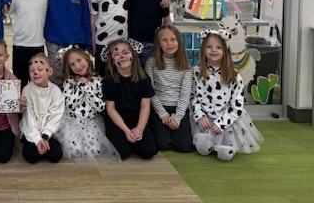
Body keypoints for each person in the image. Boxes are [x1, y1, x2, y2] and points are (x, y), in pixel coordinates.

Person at [90, 0, 170, 76]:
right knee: (103, 74)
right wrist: (92, 41)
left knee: (123, 73)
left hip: (124, 40)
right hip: (103, 39)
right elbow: (93, 17)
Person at [192, 29, 264, 161]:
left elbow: (237, 105)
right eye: (209, 47)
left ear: (225, 51)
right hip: (205, 120)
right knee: (202, 149)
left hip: (227, 119)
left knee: (225, 155)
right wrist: (200, 115)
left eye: (218, 47)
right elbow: (194, 97)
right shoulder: (197, 72)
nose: (213, 50)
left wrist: (222, 123)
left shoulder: (234, 75)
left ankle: (222, 143)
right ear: (203, 49)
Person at [54, 45, 120, 162]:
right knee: (74, 151)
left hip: (90, 122)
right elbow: (70, 105)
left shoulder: (98, 80)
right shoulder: (69, 81)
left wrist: (88, 88)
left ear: (87, 58)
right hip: (72, 122)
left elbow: (100, 107)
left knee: (94, 151)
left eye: (79, 60)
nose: (77, 66)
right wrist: (80, 86)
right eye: (72, 64)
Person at [42, 0, 92, 86]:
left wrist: (88, 43)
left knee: (77, 74)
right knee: (56, 75)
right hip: (54, 41)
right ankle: (57, 105)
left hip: (76, 42)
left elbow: (85, 18)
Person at [102, 38, 157, 160]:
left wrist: (139, 128)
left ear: (133, 54)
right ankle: (127, 140)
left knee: (149, 152)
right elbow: (110, 109)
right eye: (116, 54)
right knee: (123, 152)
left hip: (137, 119)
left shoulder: (144, 78)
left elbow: (145, 106)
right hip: (117, 122)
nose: (121, 56)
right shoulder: (109, 81)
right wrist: (127, 131)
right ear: (112, 60)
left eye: (125, 52)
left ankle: (134, 139)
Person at [144, 25, 193, 153]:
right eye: (164, 40)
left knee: (184, 147)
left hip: (178, 108)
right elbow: (150, 90)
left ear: (179, 42)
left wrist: (177, 117)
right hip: (159, 108)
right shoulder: (151, 62)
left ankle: (174, 131)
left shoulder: (186, 66)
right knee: (162, 144)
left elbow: (185, 93)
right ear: (159, 44)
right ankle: (165, 133)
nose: (169, 43)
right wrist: (162, 114)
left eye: (173, 39)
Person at [8, 0, 48, 88]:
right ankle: (21, 105)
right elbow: (6, 11)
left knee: (38, 78)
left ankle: (35, 105)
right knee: (20, 78)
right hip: (19, 44)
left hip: (38, 44)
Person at [20, 53, 65, 164]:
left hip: (49, 133)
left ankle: (43, 145)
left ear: (49, 71)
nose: (35, 72)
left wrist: (45, 136)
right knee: (31, 157)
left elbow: (56, 115)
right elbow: (29, 118)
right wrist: (37, 139)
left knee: (56, 156)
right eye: (32, 71)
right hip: (31, 131)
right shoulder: (27, 90)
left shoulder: (56, 91)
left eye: (40, 69)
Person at [126, 0, 172, 67]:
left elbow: (167, 21)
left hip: (153, 43)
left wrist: (168, 41)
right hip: (132, 43)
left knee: (151, 74)